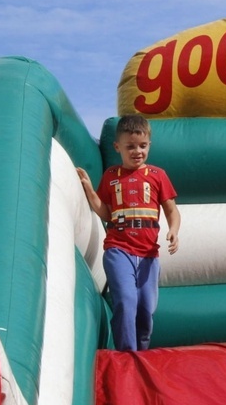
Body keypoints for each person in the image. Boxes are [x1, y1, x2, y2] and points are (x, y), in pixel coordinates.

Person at [76, 114, 181, 351]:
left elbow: (172, 211)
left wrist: (174, 230)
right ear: (117, 147)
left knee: (145, 309)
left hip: (148, 256)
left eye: (143, 146)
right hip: (118, 250)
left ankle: (141, 352)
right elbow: (106, 212)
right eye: (130, 146)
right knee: (126, 300)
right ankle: (127, 355)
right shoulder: (112, 177)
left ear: (149, 145)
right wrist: (90, 191)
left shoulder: (157, 176)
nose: (137, 152)